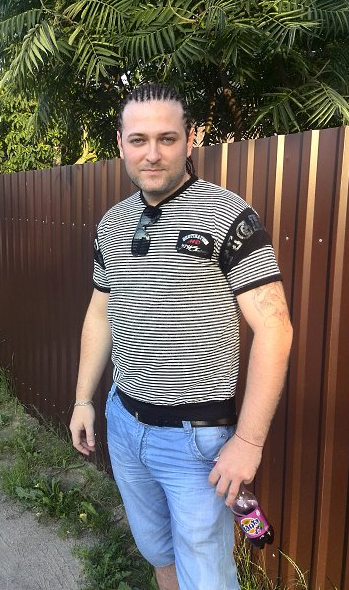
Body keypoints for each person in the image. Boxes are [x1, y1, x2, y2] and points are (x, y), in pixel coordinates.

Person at [69, 83, 293, 590]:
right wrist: (84, 400)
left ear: (190, 139)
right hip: (124, 424)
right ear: (121, 143)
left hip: (197, 441)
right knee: (158, 552)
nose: (152, 153)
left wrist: (249, 442)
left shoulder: (228, 216)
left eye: (167, 138)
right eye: (139, 139)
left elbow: (274, 327)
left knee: (207, 578)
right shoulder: (112, 223)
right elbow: (100, 313)